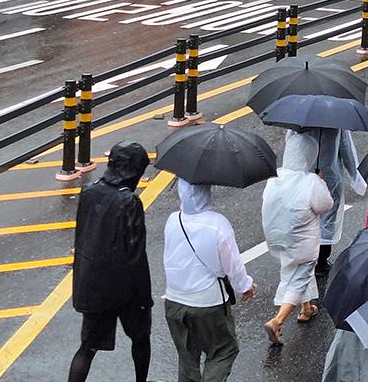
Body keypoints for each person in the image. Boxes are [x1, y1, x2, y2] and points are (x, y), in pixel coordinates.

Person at [69, 141, 153, 382]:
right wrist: (142, 296)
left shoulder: (89, 191)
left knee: (87, 347)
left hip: (94, 284)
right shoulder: (129, 202)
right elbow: (136, 253)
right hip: (126, 289)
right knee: (140, 339)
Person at [163, 180, 256, 382]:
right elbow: (232, 264)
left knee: (188, 358)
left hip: (174, 301)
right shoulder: (217, 224)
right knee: (223, 350)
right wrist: (245, 286)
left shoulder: (173, 220)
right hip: (208, 302)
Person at [261, 131, 334, 346]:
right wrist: (320, 182)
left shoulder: (275, 177)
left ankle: (306, 308)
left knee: (291, 270)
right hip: (303, 241)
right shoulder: (310, 181)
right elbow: (325, 205)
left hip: (277, 238)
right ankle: (277, 320)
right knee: (299, 277)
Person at [313, 128, 368, 275]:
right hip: (328, 176)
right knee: (327, 219)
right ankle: (321, 261)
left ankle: (309, 257)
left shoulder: (296, 123)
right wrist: (356, 177)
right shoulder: (335, 121)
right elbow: (346, 148)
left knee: (308, 218)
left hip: (304, 175)